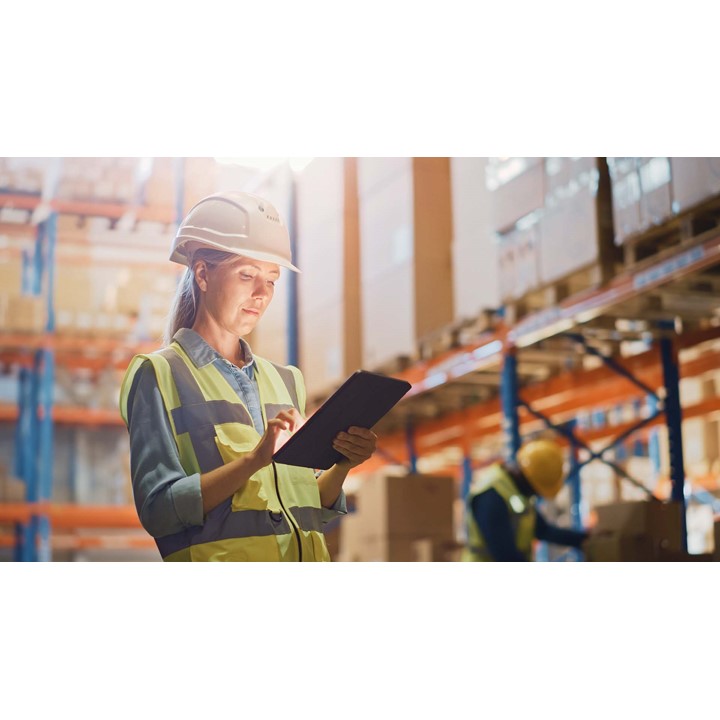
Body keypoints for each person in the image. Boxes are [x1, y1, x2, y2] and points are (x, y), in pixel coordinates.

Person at [119, 191, 377, 561]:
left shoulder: (287, 381)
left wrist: (344, 463)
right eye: (247, 275)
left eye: (271, 280)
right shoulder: (159, 375)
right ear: (203, 274)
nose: (262, 293)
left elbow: (307, 504)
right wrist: (253, 461)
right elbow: (159, 510)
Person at [462, 439, 588, 561]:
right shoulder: (491, 497)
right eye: (536, 490)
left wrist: (586, 539)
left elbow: (543, 530)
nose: (537, 495)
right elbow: (505, 555)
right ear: (528, 481)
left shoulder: (517, 493)